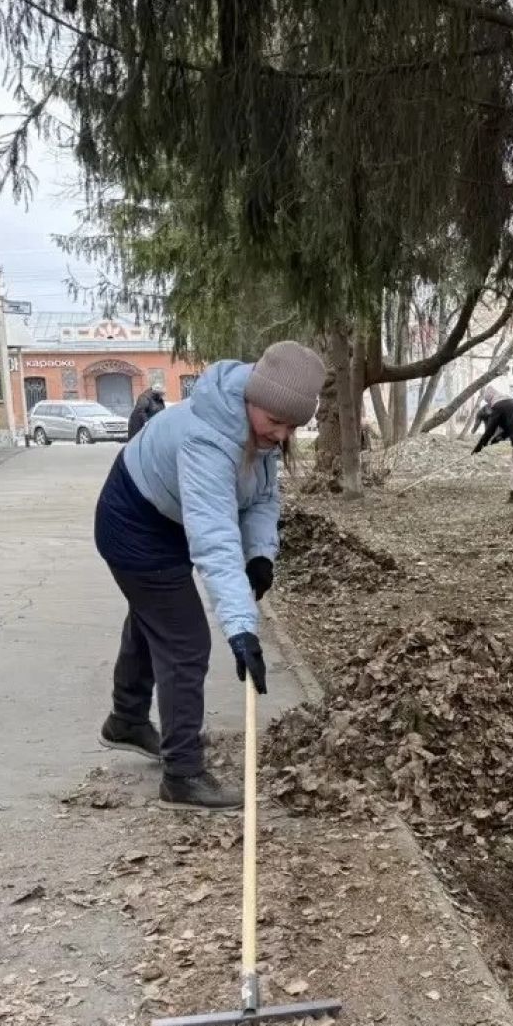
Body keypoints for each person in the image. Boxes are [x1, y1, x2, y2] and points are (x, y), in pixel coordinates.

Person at [93, 341, 326, 809]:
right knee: (184, 641)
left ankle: (127, 719)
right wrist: (241, 629)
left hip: (168, 513)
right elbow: (216, 537)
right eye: (275, 423)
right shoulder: (209, 438)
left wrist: (260, 555)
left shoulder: (257, 428)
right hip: (134, 522)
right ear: (251, 399)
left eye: (291, 428)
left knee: (155, 616)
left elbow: (259, 497)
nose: (280, 436)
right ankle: (182, 775)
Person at [471, 388, 513, 454]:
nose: (490, 405)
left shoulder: (498, 406)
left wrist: (479, 446)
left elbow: (490, 430)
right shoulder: (511, 402)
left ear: (491, 398)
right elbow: (509, 426)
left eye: (489, 402)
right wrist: (499, 438)